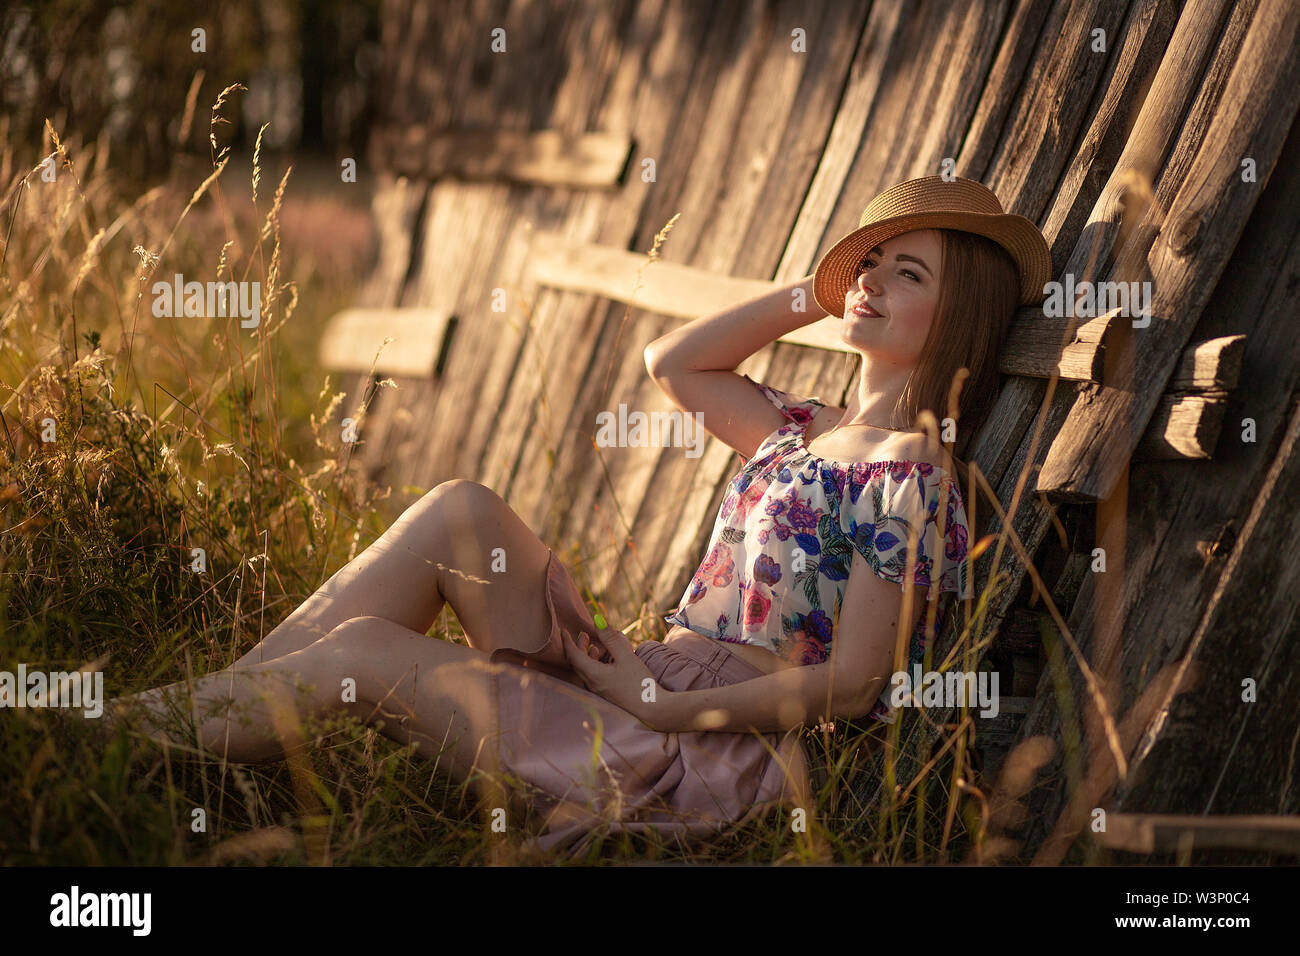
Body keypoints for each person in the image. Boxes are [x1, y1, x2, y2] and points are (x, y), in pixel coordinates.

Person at [103, 175, 1051, 857]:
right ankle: (197, 729)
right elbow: (675, 365)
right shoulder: (800, 429)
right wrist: (815, 290)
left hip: (695, 746)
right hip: (641, 676)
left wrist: (658, 703)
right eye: (871, 264)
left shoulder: (909, 475)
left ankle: (104, 747)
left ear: (959, 309)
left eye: (908, 275)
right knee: (461, 510)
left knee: (361, 653)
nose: (874, 282)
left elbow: (849, 688)